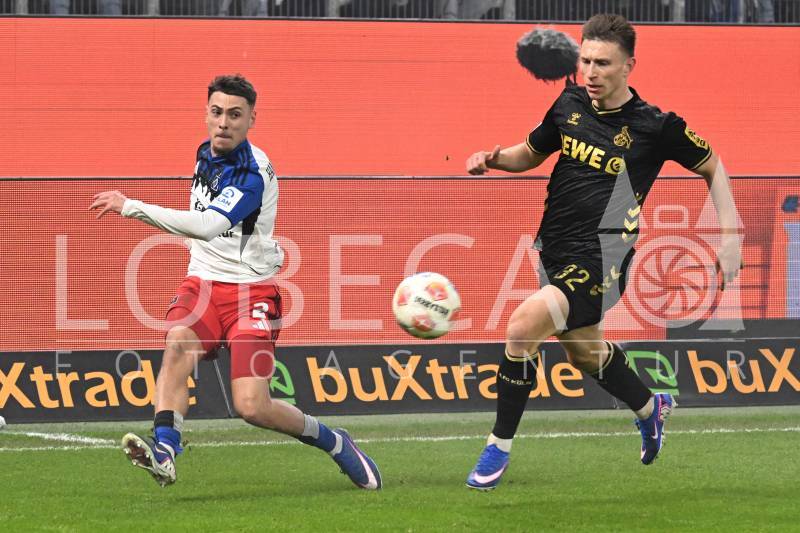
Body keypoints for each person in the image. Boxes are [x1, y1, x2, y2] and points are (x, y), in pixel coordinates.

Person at [464, 13, 741, 490]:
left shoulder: (656, 126)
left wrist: (731, 235)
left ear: (629, 65)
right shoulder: (569, 103)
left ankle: (498, 446)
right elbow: (530, 153)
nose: (591, 72)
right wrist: (494, 159)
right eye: (586, 61)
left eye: (603, 63)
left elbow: (713, 165)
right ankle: (651, 407)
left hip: (602, 259)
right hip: (553, 248)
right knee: (586, 355)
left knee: (523, 327)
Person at [90, 74, 382, 490]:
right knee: (178, 344)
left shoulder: (251, 173)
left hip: (252, 293)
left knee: (252, 406)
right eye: (216, 112)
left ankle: (335, 441)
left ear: (251, 120)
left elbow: (208, 226)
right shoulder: (205, 153)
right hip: (202, 285)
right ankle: (165, 449)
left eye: (234, 115)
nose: (224, 123)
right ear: (206, 114)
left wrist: (129, 206)